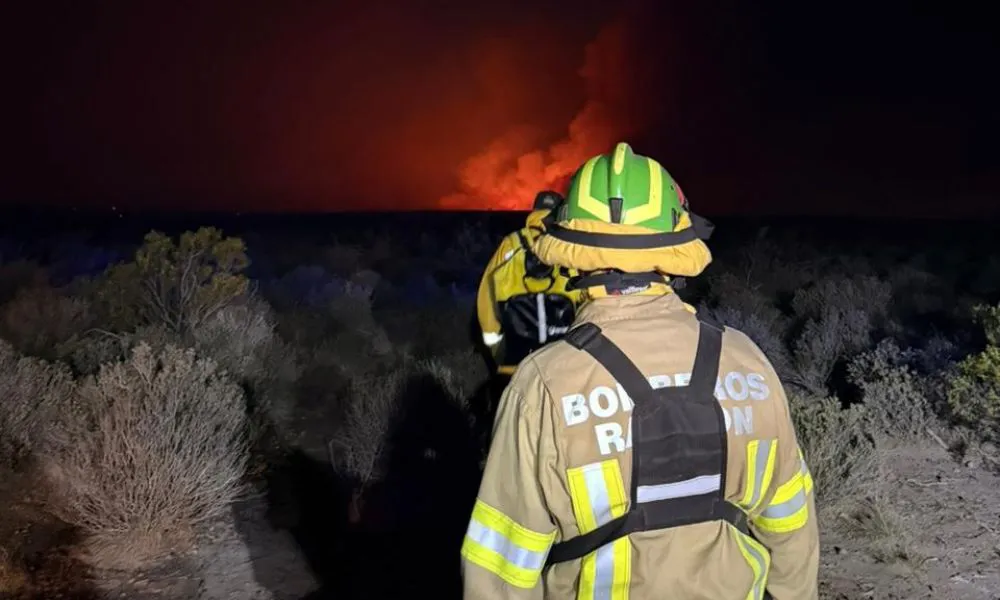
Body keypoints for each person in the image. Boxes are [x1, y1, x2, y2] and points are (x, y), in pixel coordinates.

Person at [460, 143, 819, 599]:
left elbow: (501, 568)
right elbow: (791, 524)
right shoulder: (746, 361)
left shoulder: (544, 386)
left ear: (572, 252)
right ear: (677, 249)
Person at [475, 191, 584, 377]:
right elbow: (588, 298)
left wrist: (497, 350)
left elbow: (487, 296)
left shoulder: (511, 244)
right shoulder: (569, 247)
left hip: (516, 367)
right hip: (563, 367)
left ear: (534, 211)